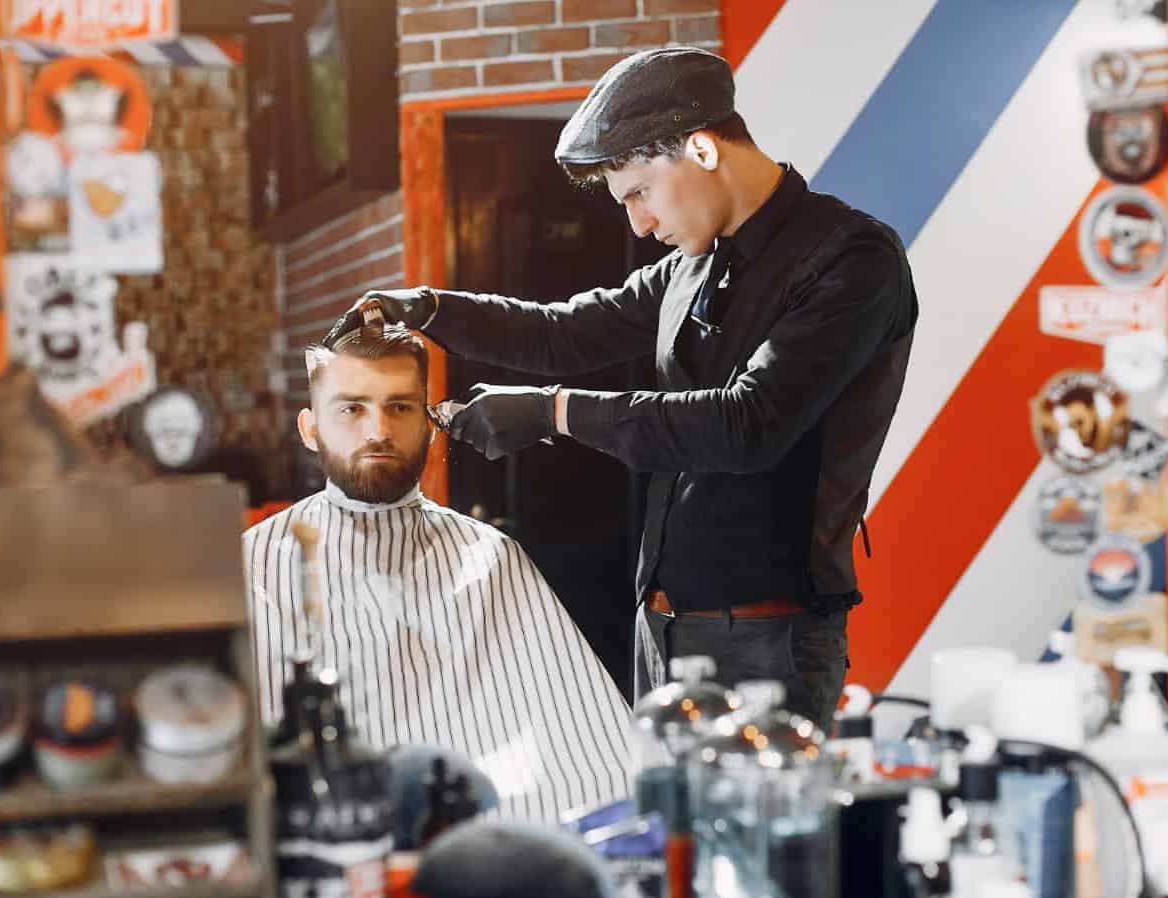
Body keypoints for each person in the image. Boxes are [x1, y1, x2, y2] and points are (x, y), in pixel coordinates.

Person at [329, 46, 918, 727]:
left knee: (756, 834)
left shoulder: (850, 258)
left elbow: (749, 424)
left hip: (771, 638)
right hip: (662, 625)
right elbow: (563, 333)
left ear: (700, 149)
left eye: (639, 192)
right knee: (664, 834)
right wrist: (430, 308)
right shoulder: (692, 266)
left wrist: (553, 412)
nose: (638, 224)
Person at [242, 322, 632, 823]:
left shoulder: (490, 558)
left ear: (428, 424)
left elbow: (594, 766)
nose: (378, 430)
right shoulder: (254, 565)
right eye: (351, 408)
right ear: (310, 429)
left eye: (399, 407)